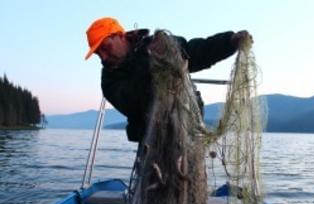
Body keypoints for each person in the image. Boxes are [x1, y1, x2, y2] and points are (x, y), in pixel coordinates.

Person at [85, 17, 252, 143]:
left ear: (121, 36)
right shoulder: (109, 79)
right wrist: (151, 63)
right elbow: (133, 104)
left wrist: (229, 42)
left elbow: (195, 52)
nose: (104, 57)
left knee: (191, 182)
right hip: (152, 143)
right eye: (98, 53)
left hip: (189, 133)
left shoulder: (161, 45)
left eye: (106, 47)